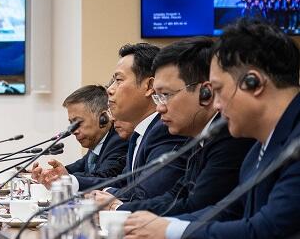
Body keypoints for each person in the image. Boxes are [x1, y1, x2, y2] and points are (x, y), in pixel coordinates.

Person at [124, 19, 300, 239]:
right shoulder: (257, 151)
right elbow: (229, 212)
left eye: (218, 89)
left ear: (253, 82)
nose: (215, 105)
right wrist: (155, 228)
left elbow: (268, 231)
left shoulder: (293, 141)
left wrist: (172, 232)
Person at [101, 37, 252, 215]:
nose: (160, 108)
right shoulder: (199, 138)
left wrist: (119, 209)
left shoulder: (228, 137)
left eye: (166, 95)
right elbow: (176, 195)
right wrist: (120, 208)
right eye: (157, 97)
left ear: (206, 92)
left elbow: (195, 206)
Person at [104, 43, 189, 200]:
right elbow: (124, 183)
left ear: (149, 86)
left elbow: (147, 194)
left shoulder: (164, 130)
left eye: (119, 80)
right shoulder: (139, 133)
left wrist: (105, 196)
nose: (110, 89)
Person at [31, 85, 128, 191]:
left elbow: (103, 177)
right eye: (71, 124)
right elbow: (79, 167)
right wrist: (50, 174)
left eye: (78, 123)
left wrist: (66, 179)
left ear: (103, 118)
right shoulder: (97, 144)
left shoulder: (119, 141)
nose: (74, 131)